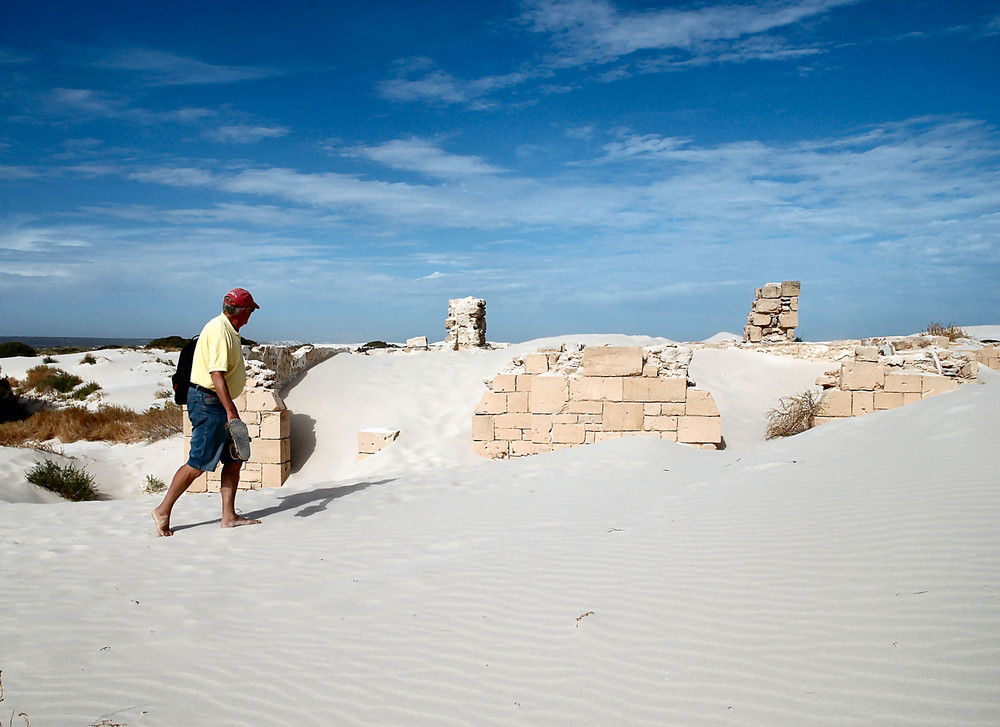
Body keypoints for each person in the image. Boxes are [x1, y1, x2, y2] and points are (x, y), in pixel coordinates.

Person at [152, 287, 262, 536]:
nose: (251, 315)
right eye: (251, 310)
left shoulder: (229, 330)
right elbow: (216, 375)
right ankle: (162, 510)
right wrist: (231, 411)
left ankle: (229, 516)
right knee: (198, 463)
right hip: (208, 403)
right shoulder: (219, 330)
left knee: (234, 459)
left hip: (218, 403)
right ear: (243, 311)